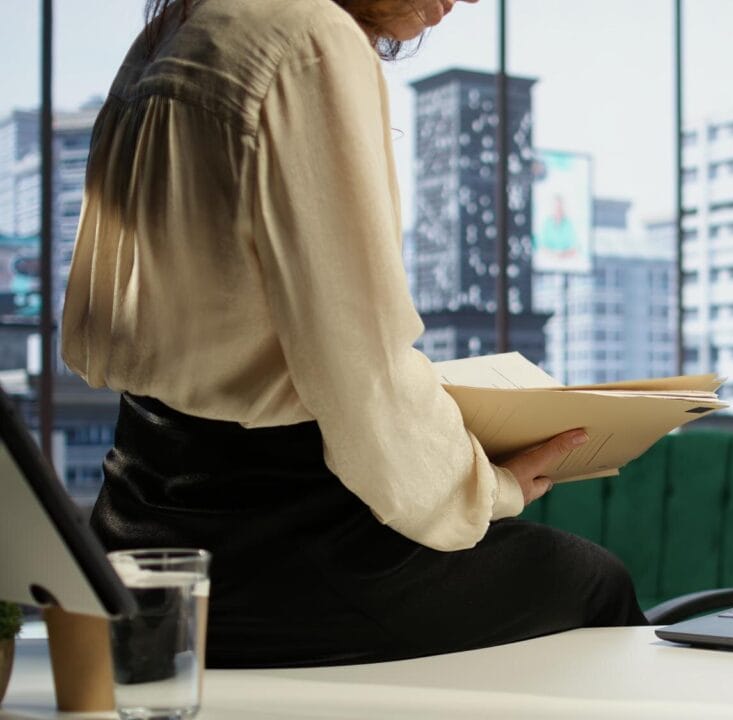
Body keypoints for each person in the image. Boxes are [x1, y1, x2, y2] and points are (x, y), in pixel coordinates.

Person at [61, 0, 647, 669]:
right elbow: (361, 380)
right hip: (275, 549)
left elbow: (94, 336)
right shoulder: (309, 37)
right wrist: (494, 485)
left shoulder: (170, 36)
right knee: (596, 584)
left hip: (131, 531)